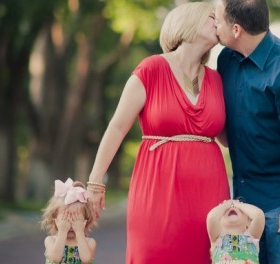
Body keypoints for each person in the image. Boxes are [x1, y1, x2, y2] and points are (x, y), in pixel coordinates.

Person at [84, 2, 230, 263]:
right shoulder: (151, 69)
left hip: (210, 194)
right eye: (212, 17)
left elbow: (229, 138)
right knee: (153, 254)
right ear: (190, 22)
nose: (219, 23)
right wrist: (96, 182)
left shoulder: (217, 79)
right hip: (158, 188)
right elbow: (117, 127)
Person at [214, 0, 280, 263]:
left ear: (236, 29)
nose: (214, 25)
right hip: (241, 201)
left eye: (217, 20)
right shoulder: (226, 59)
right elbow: (228, 133)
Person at [41, 178, 97, 264]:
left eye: (75, 220)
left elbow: (86, 259)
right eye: (66, 219)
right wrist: (62, 232)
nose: (71, 225)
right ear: (55, 220)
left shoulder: (89, 242)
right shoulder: (50, 240)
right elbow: (55, 259)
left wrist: (79, 232)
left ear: (85, 221)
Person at [207, 199, 265, 264]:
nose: (232, 206)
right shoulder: (216, 237)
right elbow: (212, 217)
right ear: (219, 222)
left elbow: (258, 215)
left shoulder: (252, 235)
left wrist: (239, 205)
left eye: (239, 209)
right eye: (225, 210)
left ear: (248, 222)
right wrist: (225, 205)